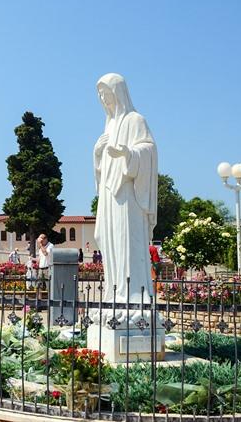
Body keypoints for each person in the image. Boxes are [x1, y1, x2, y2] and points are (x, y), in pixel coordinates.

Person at [93, 73, 158, 313]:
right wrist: (97, 153)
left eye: (106, 94)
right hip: (109, 195)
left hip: (128, 195)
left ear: (118, 93)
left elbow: (149, 150)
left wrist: (129, 154)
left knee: (126, 241)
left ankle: (133, 295)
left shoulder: (135, 120)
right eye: (100, 95)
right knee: (106, 238)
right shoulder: (108, 124)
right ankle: (114, 290)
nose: (103, 99)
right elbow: (101, 166)